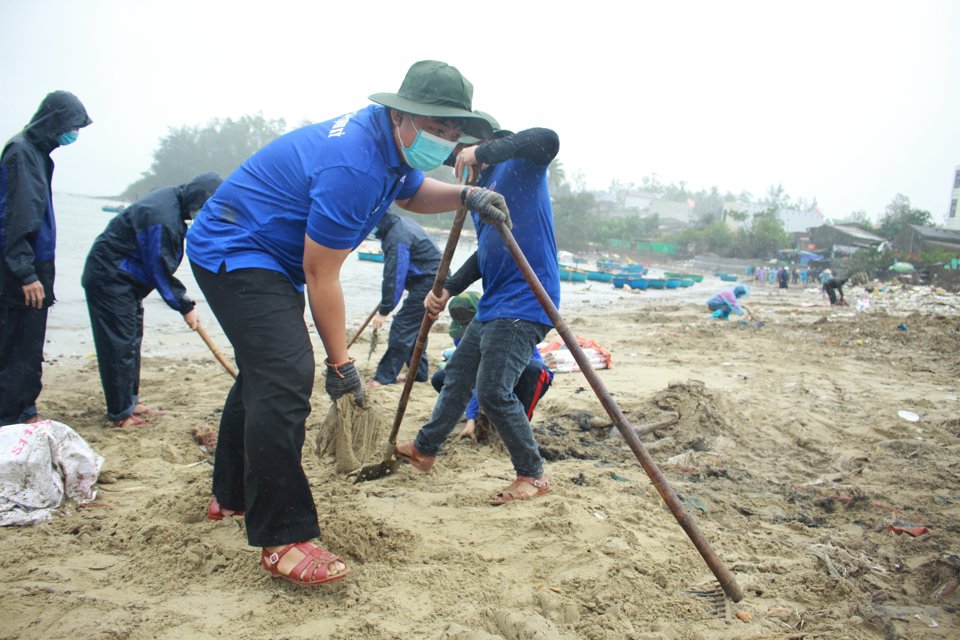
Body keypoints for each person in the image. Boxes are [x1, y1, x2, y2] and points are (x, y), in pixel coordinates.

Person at [185, 60, 507, 586]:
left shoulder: (388, 143)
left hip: (270, 253)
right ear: (400, 113)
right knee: (287, 375)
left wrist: (465, 196)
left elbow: (409, 192)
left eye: (452, 132)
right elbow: (321, 273)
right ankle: (282, 535)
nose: (444, 139)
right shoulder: (354, 164)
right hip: (236, 246)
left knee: (265, 372)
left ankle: (231, 498)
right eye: (435, 127)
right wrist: (341, 362)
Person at [396, 122, 561, 506]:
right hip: (495, 303)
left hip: (526, 301)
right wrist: (449, 288)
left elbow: (548, 139)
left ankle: (533, 475)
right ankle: (425, 449)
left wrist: (482, 153)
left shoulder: (520, 165)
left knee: (493, 390)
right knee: (457, 376)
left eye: (460, 154)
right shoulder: (479, 194)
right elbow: (487, 252)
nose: (458, 162)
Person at [82, 173, 222, 427]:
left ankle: (130, 400)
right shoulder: (162, 216)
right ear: (198, 197)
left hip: (126, 282)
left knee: (131, 340)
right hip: (110, 278)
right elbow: (158, 267)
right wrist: (185, 305)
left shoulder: (173, 201)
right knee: (119, 345)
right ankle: (121, 413)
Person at [0, 91, 92, 427]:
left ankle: (24, 409)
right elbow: (13, 216)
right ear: (53, 121)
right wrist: (24, 272)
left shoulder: (39, 155)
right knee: (15, 348)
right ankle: (10, 418)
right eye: (71, 126)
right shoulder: (21, 152)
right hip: (19, 270)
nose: (74, 134)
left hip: (38, 266)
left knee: (29, 347)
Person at [430, 290, 553, 441]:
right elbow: (470, 373)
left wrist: (472, 416)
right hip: (489, 378)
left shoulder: (504, 326)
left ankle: (520, 423)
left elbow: (485, 372)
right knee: (440, 378)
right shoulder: (461, 336)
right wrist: (471, 417)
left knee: (533, 370)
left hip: (520, 376)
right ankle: (482, 417)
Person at [367, 210, 441, 387]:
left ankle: (384, 377)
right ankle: (419, 374)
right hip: (432, 280)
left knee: (403, 327)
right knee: (416, 331)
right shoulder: (401, 224)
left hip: (429, 282)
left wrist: (384, 310)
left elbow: (394, 275)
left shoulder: (397, 237)